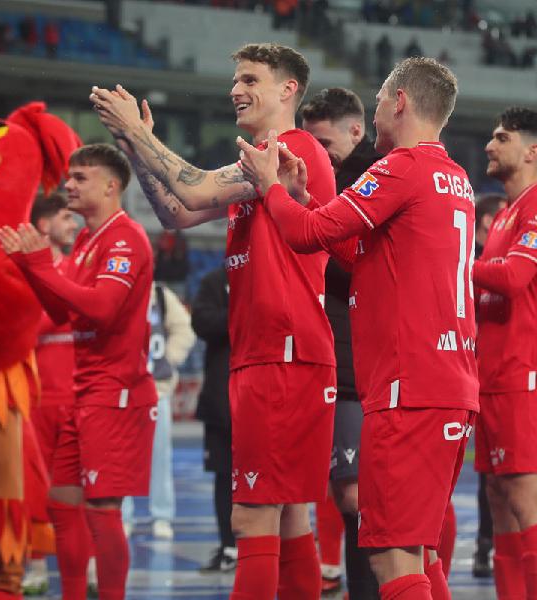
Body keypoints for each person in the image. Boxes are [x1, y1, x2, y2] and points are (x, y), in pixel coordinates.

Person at [91, 43, 338, 600]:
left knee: (252, 519)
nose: (235, 90)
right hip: (278, 354)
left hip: (280, 355)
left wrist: (139, 134)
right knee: (290, 517)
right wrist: (135, 147)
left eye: (249, 79)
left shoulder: (289, 150)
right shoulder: (260, 163)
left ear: (288, 89)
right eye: (234, 80)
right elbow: (176, 212)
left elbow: (193, 186)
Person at [237, 56, 478, 600]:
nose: (374, 114)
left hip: (408, 386)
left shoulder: (401, 166)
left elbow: (307, 237)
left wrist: (271, 188)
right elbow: (358, 255)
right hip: (448, 382)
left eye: (378, 102)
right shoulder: (455, 177)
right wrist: (304, 198)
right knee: (422, 552)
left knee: (393, 556)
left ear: (400, 101)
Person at [0, 143, 158, 600]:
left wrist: (40, 267)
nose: (68, 184)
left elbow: (102, 308)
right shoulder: (87, 239)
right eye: (70, 176)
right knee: (62, 505)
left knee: (102, 510)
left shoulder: (125, 238)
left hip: (116, 391)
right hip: (83, 389)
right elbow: (61, 311)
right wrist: (29, 267)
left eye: (80, 177)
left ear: (111, 186)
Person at [472, 107, 537, 599]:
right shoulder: (508, 212)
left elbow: (512, 278)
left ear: (532, 151)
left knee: (527, 497)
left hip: (524, 373)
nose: (489, 146)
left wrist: (456, 262)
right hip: (492, 373)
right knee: (498, 494)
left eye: (501, 138)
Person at [300, 86, 381, 599]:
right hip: (329, 354)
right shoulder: (321, 179)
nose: (318, 155)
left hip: (357, 360)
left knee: (357, 497)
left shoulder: (374, 182)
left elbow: (363, 267)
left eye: (325, 144)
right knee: (336, 494)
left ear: (356, 130)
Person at [23, 191, 79, 596]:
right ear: (44, 225)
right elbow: (24, 329)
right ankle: (36, 565)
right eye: (65, 217)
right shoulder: (25, 273)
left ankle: (86, 568)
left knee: (83, 488)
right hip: (37, 399)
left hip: (77, 395)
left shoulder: (80, 267)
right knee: (34, 487)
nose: (73, 224)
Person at [122, 279, 195, 538]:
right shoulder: (113, 287)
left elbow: (185, 329)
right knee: (120, 457)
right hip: (122, 389)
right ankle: (123, 515)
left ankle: (162, 515)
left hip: (157, 389)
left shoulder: (161, 295)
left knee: (160, 457)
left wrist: (168, 359)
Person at [191, 265, 236, 573]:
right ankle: (229, 546)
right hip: (221, 398)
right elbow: (201, 322)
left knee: (270, 478)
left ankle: (271, 545)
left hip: (266, 397)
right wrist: (242, 313)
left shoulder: (271, 275)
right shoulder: (215, 280)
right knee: (224, 474)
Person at [471, 191, 506, 580]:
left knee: (502, 476)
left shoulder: (481, 261)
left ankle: (489, 544)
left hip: (497, 373)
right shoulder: (473, 256)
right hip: (470, 370)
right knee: (488, 473)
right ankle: (486, 544)